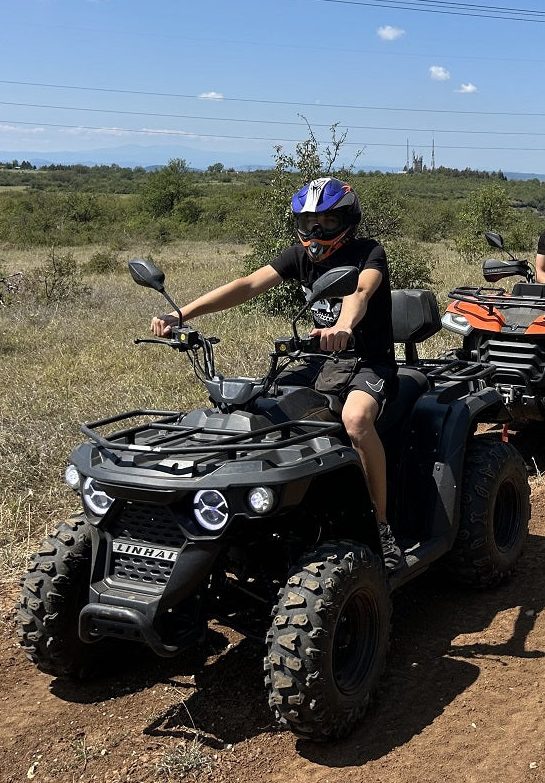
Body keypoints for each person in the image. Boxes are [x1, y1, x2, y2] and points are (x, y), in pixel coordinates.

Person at [149, 177, 403, 570]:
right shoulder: (298, 257)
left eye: (327, 223)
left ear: (347, 221)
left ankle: (380, 527)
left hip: (369, 360)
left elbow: (361, 292)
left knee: (355, 420)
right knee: (260, 411)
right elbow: (247, 284)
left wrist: (344, 327)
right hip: (320, 362)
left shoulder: (368, 252)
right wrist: (181, 314)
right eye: (308, 224)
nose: (316, 233)